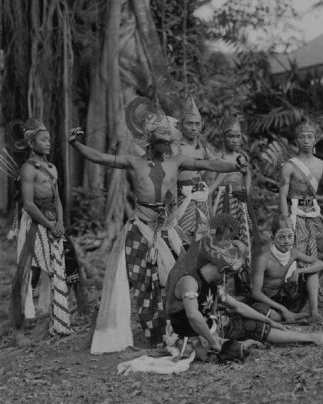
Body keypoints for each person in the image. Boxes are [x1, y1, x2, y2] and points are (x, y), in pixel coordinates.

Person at [69, 103, 246, 353]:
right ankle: (114, 331)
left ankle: (180, 326)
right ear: (150, 141)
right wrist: (75, 144)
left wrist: (235, 165)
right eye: (161, 140)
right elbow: (100, 157)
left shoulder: (178, 160)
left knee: (177, 274)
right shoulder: (134, 161)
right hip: (140, 229)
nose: (167, 144)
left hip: (167, 229)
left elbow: (210, 165)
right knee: (137, 281)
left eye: (168, 140)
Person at [165, 214, 323, 362]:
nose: (227, 278)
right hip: (194, 335)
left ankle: (310, 338)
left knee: (251, 324)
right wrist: (213, 341)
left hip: (211, 327)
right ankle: (309, 337)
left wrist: (268, 320)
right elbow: (193, 316)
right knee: (243, 339)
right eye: (228, 274)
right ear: (222, 269)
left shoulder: (213, 282)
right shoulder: (190, 281)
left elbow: (237, 306)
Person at [10, 119, 72, 346]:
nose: (48, 143)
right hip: (35, 223)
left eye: (49, 139)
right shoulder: (28, 168)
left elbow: (57, 199)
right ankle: (18, 329)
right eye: (43, 140)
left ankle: (57, 320)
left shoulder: (52, 167)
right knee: (28, 273)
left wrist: (61, 222)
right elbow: (27, 203)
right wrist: (48, 223)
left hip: (53, 223)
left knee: (58, 269)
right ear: (31, 142)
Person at [279, 120, 323, 295]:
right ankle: (295, 289)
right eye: (302, 137)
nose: (306, 140)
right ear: (296, 141)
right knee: (297, 244)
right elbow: (283, 195)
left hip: (314, 212)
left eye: (310, 137)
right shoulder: (289, 166)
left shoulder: (321, 165)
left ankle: (318, 288)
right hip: (294, 211)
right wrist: (285, 219)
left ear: (315, 141)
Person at [209, 117, 258, 296]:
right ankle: (218, 288)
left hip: (240, 200)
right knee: (221, 240)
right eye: (231, 136)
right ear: (223, 137)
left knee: (244, 239)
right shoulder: (218, 158)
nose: (235, 140)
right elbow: (213, 182)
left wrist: (246, 187)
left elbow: (248, 177)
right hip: (223, 199)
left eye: (238, 136)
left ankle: (243, 286)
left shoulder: (241, 157)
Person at [250, 215, 323, 323]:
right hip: (266, 301)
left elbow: (321, 264)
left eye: (290, 236)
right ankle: (289, 315)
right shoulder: (264, 259)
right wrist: (283, 309)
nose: (286, 241)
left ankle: (314, 313)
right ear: (273, 238)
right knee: (273, 317)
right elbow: (256, 293)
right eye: (281, 237)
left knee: (312, 272)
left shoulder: (293, 253)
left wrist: (298, 271)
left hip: (283, 297)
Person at [176, 97, 216, 246]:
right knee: (182, 238)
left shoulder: (203, 147)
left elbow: (217, 166)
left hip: (201, 197)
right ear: (181, 125)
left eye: (197, 124)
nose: (193, 128)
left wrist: (210, 188)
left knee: (203, 237)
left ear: (202, 125)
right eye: (189, 124)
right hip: (181, 197)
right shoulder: (175, 147)